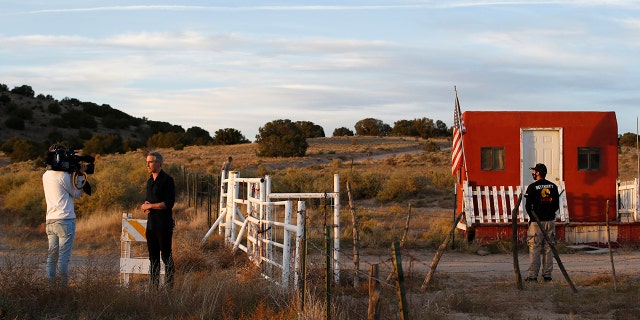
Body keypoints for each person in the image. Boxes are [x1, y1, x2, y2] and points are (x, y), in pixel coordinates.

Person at [42, 144, 91, 286]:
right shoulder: (63, 175)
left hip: (50, 219)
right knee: (63, 257)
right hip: (65, 219)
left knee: (52, 256)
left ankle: (50, 287)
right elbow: (77, 194)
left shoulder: (45, 175)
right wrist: (80, 176)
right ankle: (62, 289)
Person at [141, 151, 176, 289]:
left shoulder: (167, 180)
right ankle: (153, 287)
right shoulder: (150, 181)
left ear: (159, 162)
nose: (147, 164)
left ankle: (169, 287)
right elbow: (150, 200)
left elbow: (168, 203)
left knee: (166, 256)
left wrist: (151, 206)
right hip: (151, 225)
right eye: (147, 162)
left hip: (163, 224)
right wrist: (145, 206)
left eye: (150, 162)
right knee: (153, 258)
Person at [524, 163, 560, 283]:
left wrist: (534, 217)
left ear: (538, 173)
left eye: (534, 171)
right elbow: (556, 206)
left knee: (534, 248)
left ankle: (533, 276)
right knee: (548, 248)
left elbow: (528, 206)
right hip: (550, 221)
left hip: (536, 222)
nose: (533, 173)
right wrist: (549, 214)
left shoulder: (532, 187)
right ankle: (547, 275)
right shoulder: (554, 187)